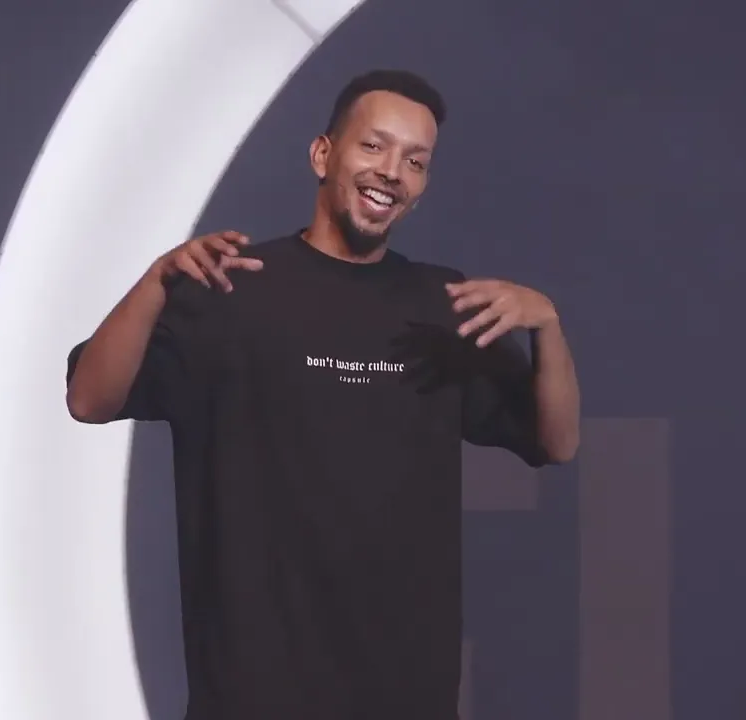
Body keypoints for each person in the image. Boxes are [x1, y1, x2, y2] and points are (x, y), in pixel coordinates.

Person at [65, 69, 580, 720]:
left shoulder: (444, 307)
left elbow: (556, 443)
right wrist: (154, 284)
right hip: (251, 695)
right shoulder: (231, 289)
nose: (392, 171)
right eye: (374, 146)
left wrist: (548, 326)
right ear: (322, 154)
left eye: (415, 161)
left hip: (406, 697)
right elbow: (89, 400)